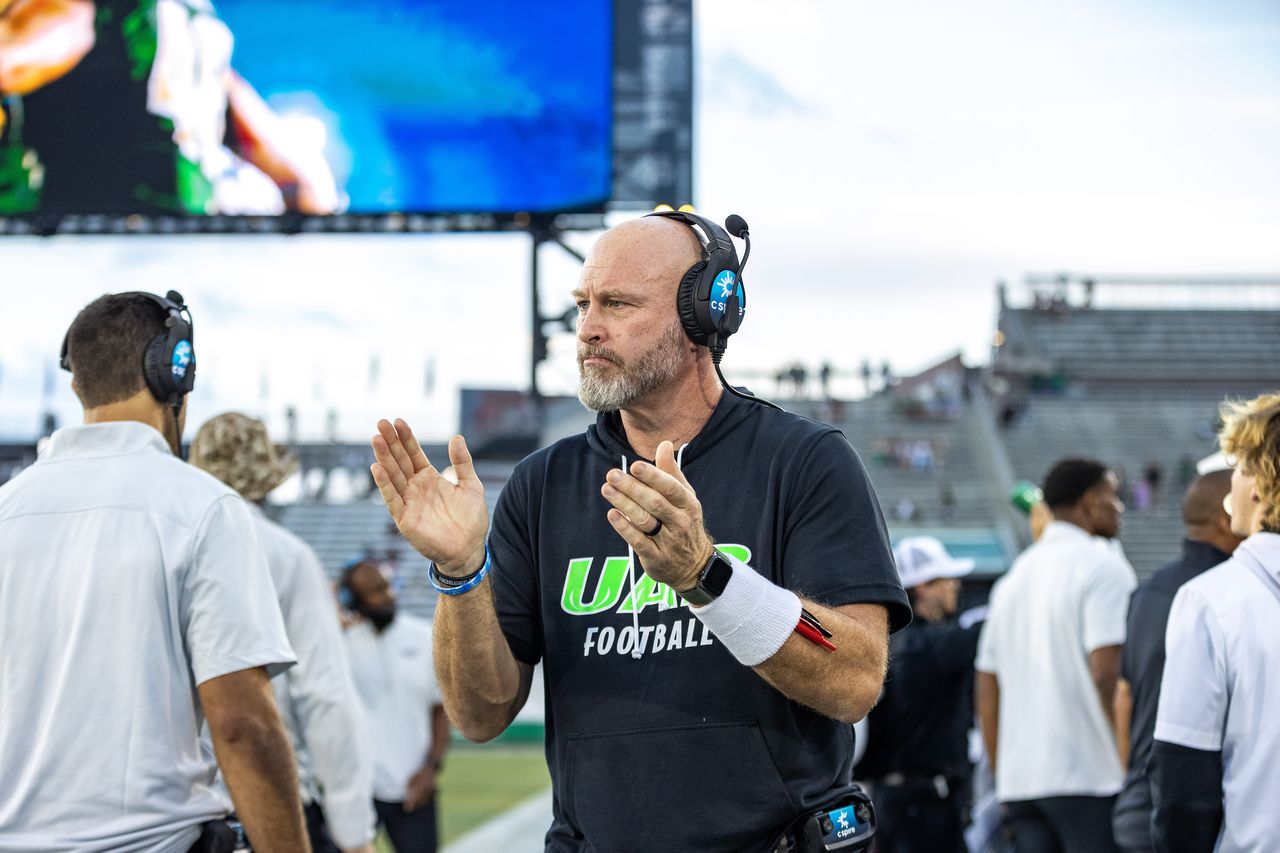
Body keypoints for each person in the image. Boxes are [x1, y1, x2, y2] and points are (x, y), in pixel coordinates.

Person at [369, 213, 911, 852]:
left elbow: (855, 679)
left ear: (706, 315)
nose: (588, 328)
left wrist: (706, 578)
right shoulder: (541, 484)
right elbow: (479, 714)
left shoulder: (804, 460)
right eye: (582, 304)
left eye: (617, 303)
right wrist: (462, 574)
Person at [0, 292, 306, 852]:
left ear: (77, 384)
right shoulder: (203, 507)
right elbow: (242, 726)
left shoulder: (7, 510)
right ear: (176, 373)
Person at [191, 412, 377, 853]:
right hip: (274, 806)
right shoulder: (287, 556)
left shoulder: (171, 545)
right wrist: (355, 834)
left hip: (180, 814)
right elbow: (326, 696)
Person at [976, 457, 1136, 853]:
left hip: (1022, 782)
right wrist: (1124, 766)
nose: (1119, 508)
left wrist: (1003, 775)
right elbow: (1107, 676)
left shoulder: (1012, 579)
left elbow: (987, 689)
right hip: (1090, 777)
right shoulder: (1105, 567)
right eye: (1112, 496)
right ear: (1088, 501)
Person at [1152, 393, 1280, 853]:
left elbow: (1183, 779)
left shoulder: (1211, 599)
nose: (1231, 487)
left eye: (1240, 468)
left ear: (1260, 486)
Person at [1111, 470, 1239, 853]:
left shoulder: (1145, 592)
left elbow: (1123, 697)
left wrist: (1131, 777)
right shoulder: (1229, 593)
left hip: (1137, 805)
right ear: (1226, 517)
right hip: (1200, 815)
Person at [857, 536, 979, 853]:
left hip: (892, 800)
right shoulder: (928, 647)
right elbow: (987, 630)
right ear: (922, 586)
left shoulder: (888, 643)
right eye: (945, 578)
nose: (955, 584)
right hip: (922, 807)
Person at [341, 560, 450, 853]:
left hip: (413, 788)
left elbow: (440, 710)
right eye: (376, 590)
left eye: (388, 585)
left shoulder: (424, 635)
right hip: (358, 791)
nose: (388, 595)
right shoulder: (339, 644)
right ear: (354, 600)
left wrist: (431, 769)